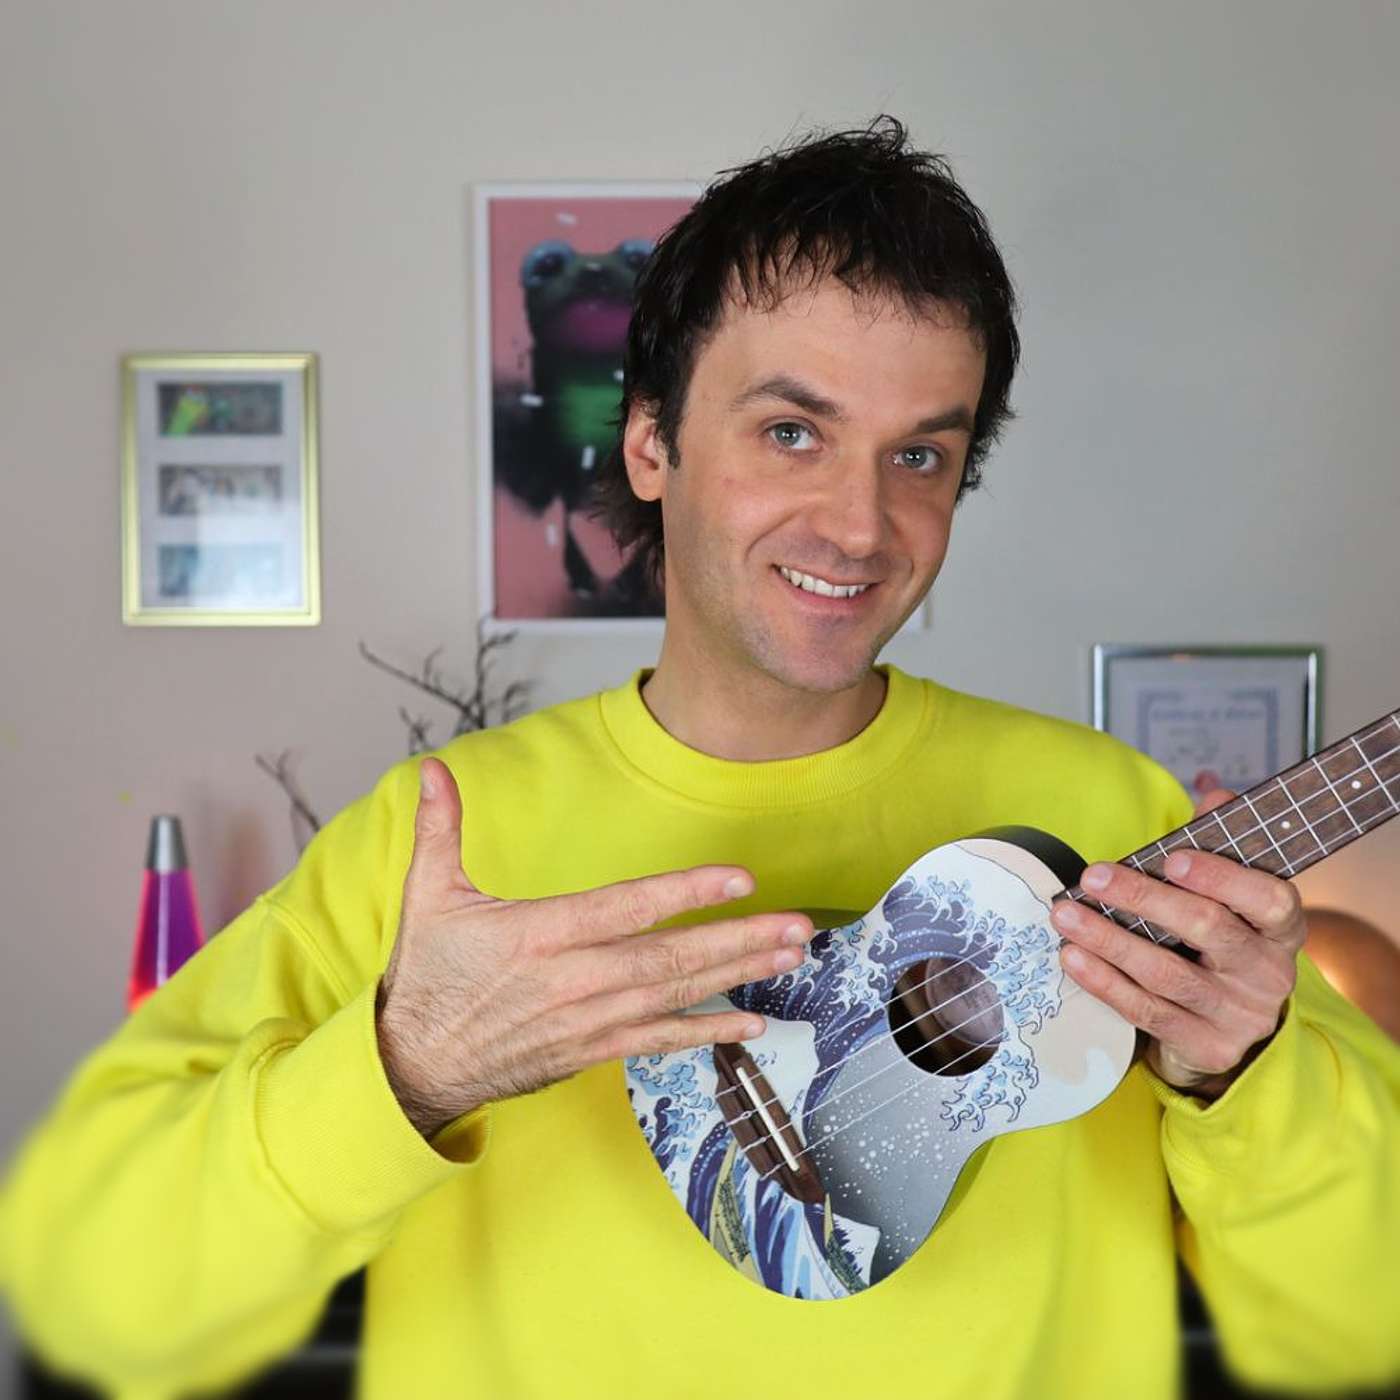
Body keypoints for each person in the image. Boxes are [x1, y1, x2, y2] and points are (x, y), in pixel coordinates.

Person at [3, 118, 1397, 1400]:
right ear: (652, 442)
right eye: (792, 432)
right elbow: (94, 1301)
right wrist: (406, 1072)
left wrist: (1251, 1075)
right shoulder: (442, 837)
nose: (860, 524)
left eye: (921, 457)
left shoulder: (1110, 813)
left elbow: (1360, 1328)